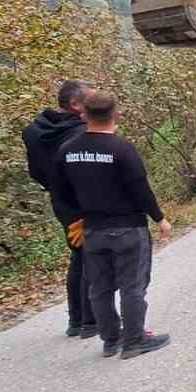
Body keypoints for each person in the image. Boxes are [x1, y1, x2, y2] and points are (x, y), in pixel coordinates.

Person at [54, 90, 173, 360]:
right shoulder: (121, 149)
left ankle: (111, 340)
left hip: (92, 230)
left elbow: (60, 193)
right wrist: (159, 218)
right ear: (116, 115)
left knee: (100, 288)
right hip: (128, 228)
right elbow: (140, 189)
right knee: (132, 286)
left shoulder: (68, 150)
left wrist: (74, 219)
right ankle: (134, 341)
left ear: (84, 115)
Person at [22, 79, 96, 340]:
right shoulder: (81, 132)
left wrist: (55, 188)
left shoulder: (34, 131)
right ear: (75, 104)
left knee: (79, 255)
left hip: (61, 201)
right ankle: (89, 320)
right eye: (91, 98)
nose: (95, 102)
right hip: (85, 200)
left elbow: (35, 172)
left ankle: (76, 320)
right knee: (92, 255)